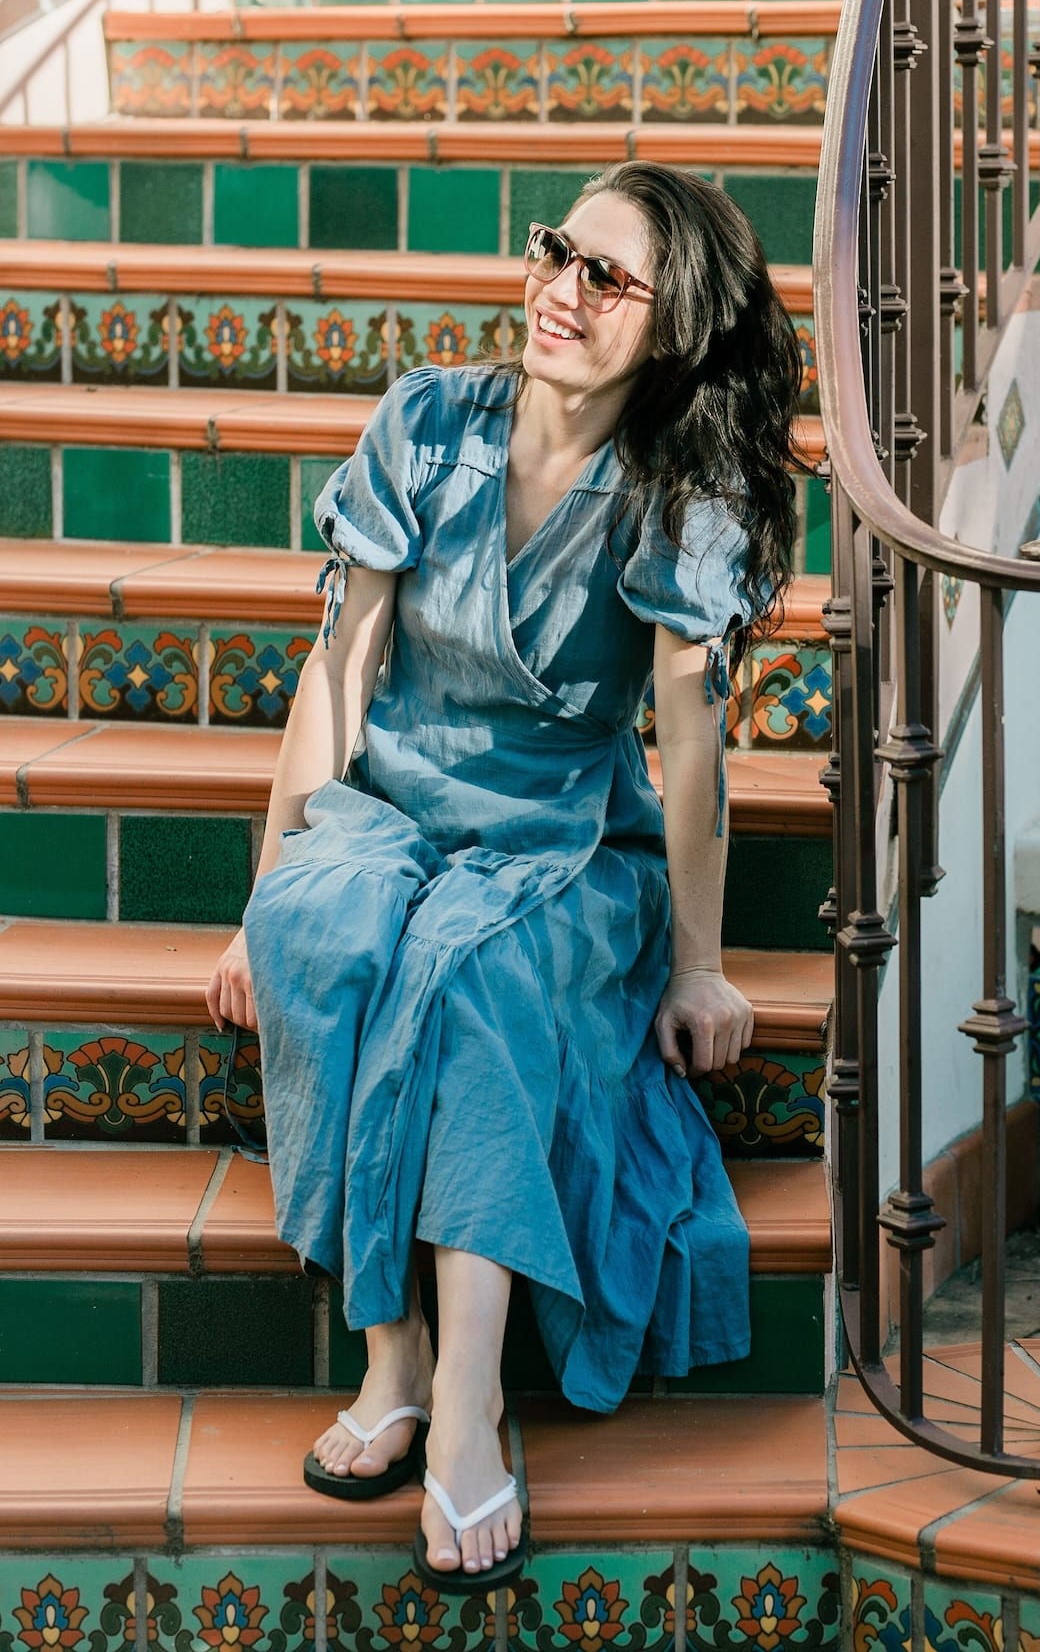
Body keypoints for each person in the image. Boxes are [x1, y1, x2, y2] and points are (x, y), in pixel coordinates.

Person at [205, 161, 803, 1596]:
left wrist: (699, 961)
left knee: (468, 980)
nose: (561, 293)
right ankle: (391, 1356)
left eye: (610, 279)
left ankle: (469, 1403)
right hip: (393, 802)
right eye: (558, 253)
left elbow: (692, 738)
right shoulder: (427, 420)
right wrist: (260, 896)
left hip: (560, 840)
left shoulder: (679, 488)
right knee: (327, 930)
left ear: (672, 330)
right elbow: (338, 666)